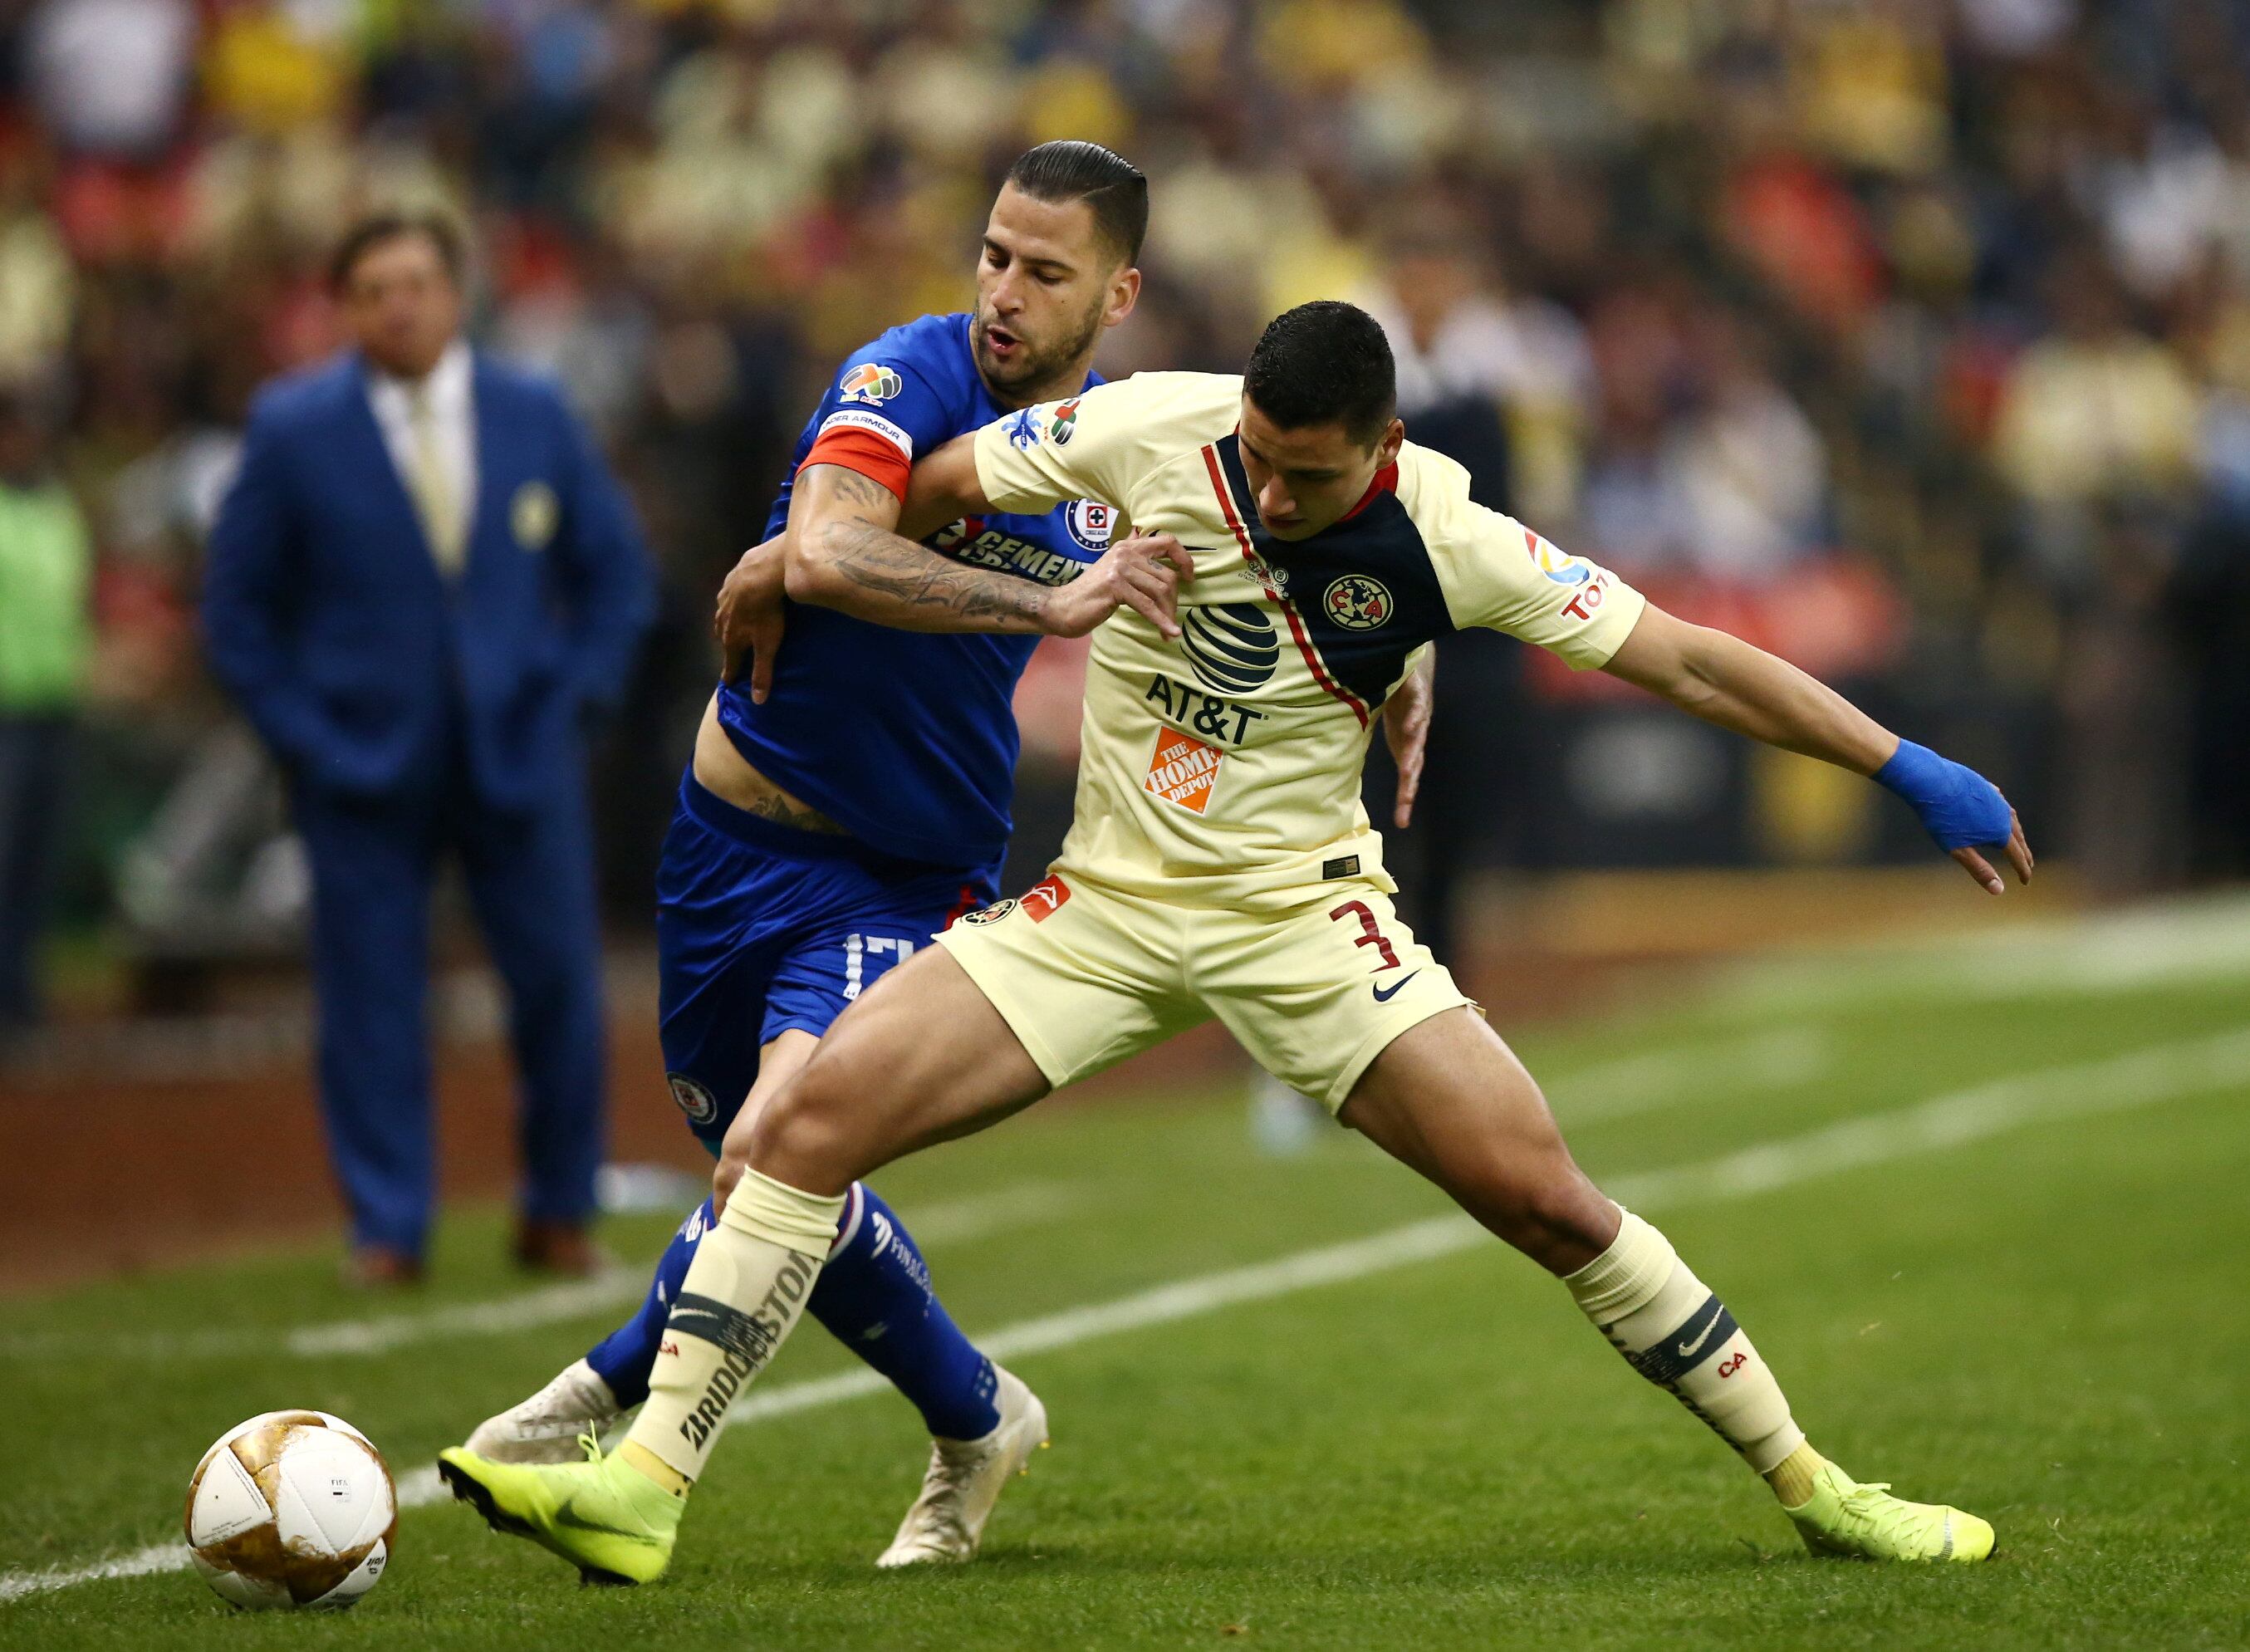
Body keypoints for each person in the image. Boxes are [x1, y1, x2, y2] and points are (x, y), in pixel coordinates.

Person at [439, 301, 2032, 1580]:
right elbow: (922, 487)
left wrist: (1900, 763)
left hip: (1301, 920)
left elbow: (1684, 661)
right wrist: (797, 556)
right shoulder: (1147, 426)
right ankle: (644, 1482)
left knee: (1546, 1198)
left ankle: (1818, 1482)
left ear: (1385, 449)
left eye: (1307, 476)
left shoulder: (1445, 536)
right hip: (1100, 910)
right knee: (795, 1129)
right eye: (1258, 460)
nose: (1268, 496)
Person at [455, 142, 1289, 1568]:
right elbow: (834, 548)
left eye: (1043, 271)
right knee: (773, 1172)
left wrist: (1404, 664)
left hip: (904, 871)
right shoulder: (907, 374)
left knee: (772, 1148)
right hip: (722, 850)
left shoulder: (1134, 448)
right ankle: (978, 1415)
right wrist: (867, 566)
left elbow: (1305, 543)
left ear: (1119, 292)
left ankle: (610, 1426)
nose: (1001, 293)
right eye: (991, 255)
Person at [201, 211, 655, 1287]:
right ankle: (389, 1226)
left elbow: (618, 577)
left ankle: (557, 1209)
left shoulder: (531, 410)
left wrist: (573, 698)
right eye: (371, 288)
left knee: (556, 991)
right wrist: (304, 739)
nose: (396, 304)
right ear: (343, 307)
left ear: (456, 294)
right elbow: (235, 615)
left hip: (520, 755)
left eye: (414, 282)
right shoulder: (292, 428)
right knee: (368, 1003)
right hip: (359, 768)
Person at [0, 388, 92, 1038]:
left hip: (58, 709)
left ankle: (20, 995)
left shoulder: (58, 508)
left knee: (36, 861)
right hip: (4, 715)